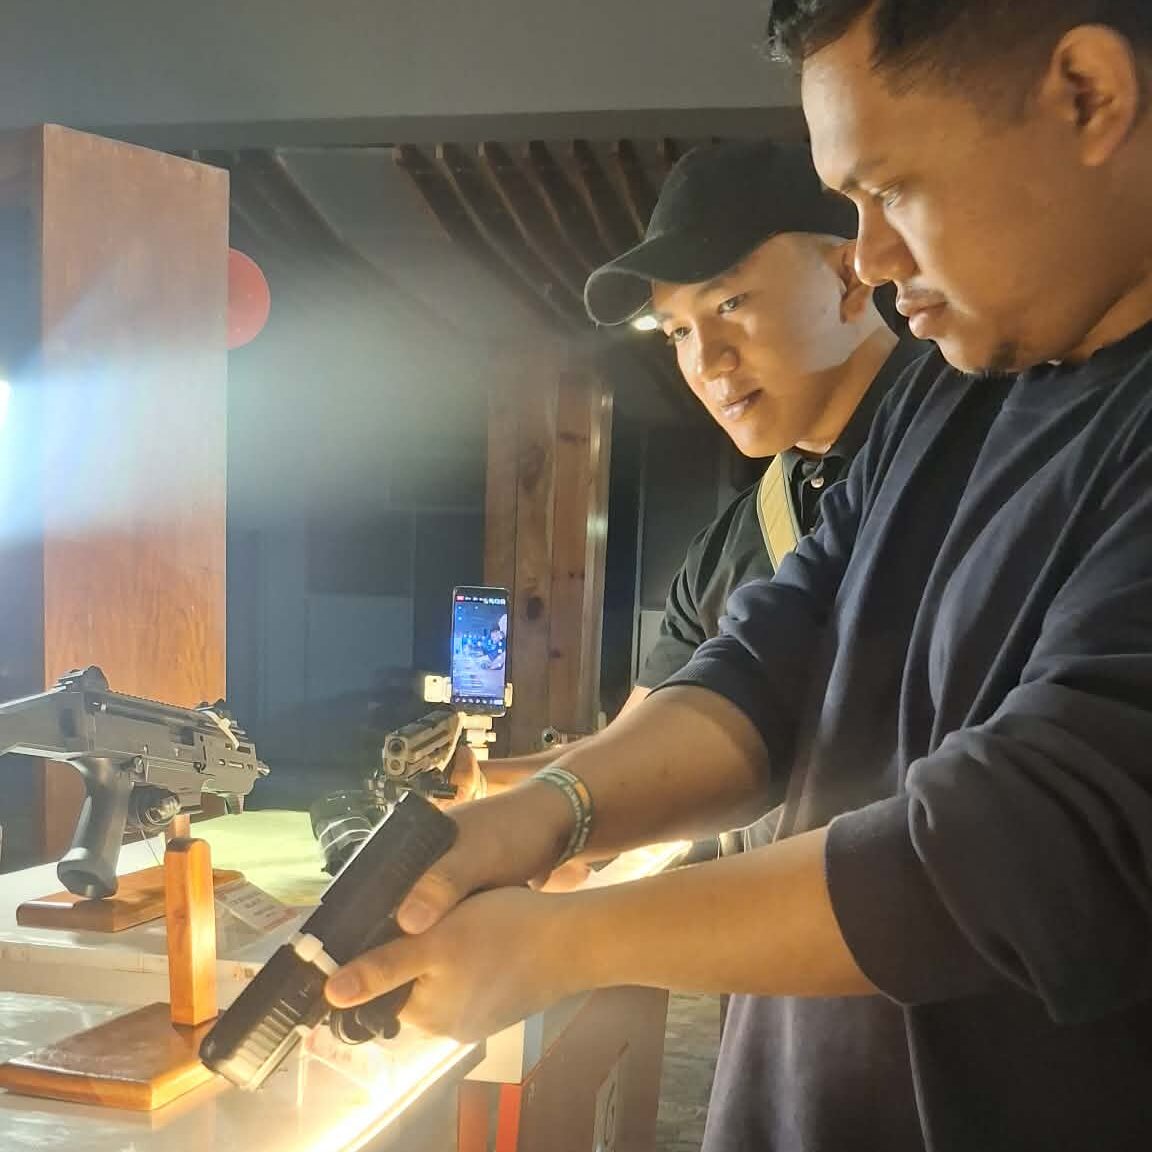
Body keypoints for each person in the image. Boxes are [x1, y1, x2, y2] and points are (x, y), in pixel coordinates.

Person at [329, 4, 1152, 1149]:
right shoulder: (954, 385)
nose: (873, 259)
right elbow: (770, 662)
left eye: (894, 189)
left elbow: (1028, 848)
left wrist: (566, 941)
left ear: (1088, 96)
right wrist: (536, 818)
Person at [460, 139, 921, 822]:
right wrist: (481, 785)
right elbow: (638, 748)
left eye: (729, 303)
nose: (706, 361)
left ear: (849, 279)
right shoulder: (729, 546)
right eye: (676, 332)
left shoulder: (976, 449)